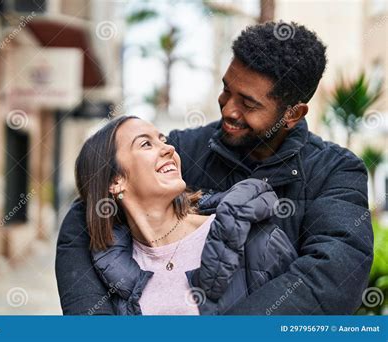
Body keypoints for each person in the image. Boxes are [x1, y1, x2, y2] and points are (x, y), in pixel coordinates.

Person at [56, 21, 373, 315]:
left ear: (293, 114)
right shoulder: (183, 149)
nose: (228, 109)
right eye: (226, 90)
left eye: (248, 104)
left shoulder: (335, 171)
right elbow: (87, 214)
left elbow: (332, 277)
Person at [73, 115, 296, 315]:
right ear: (115, 181)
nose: (168, 149)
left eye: (163, 140)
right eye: (146, 144)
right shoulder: (112, 273)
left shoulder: (253, 239)